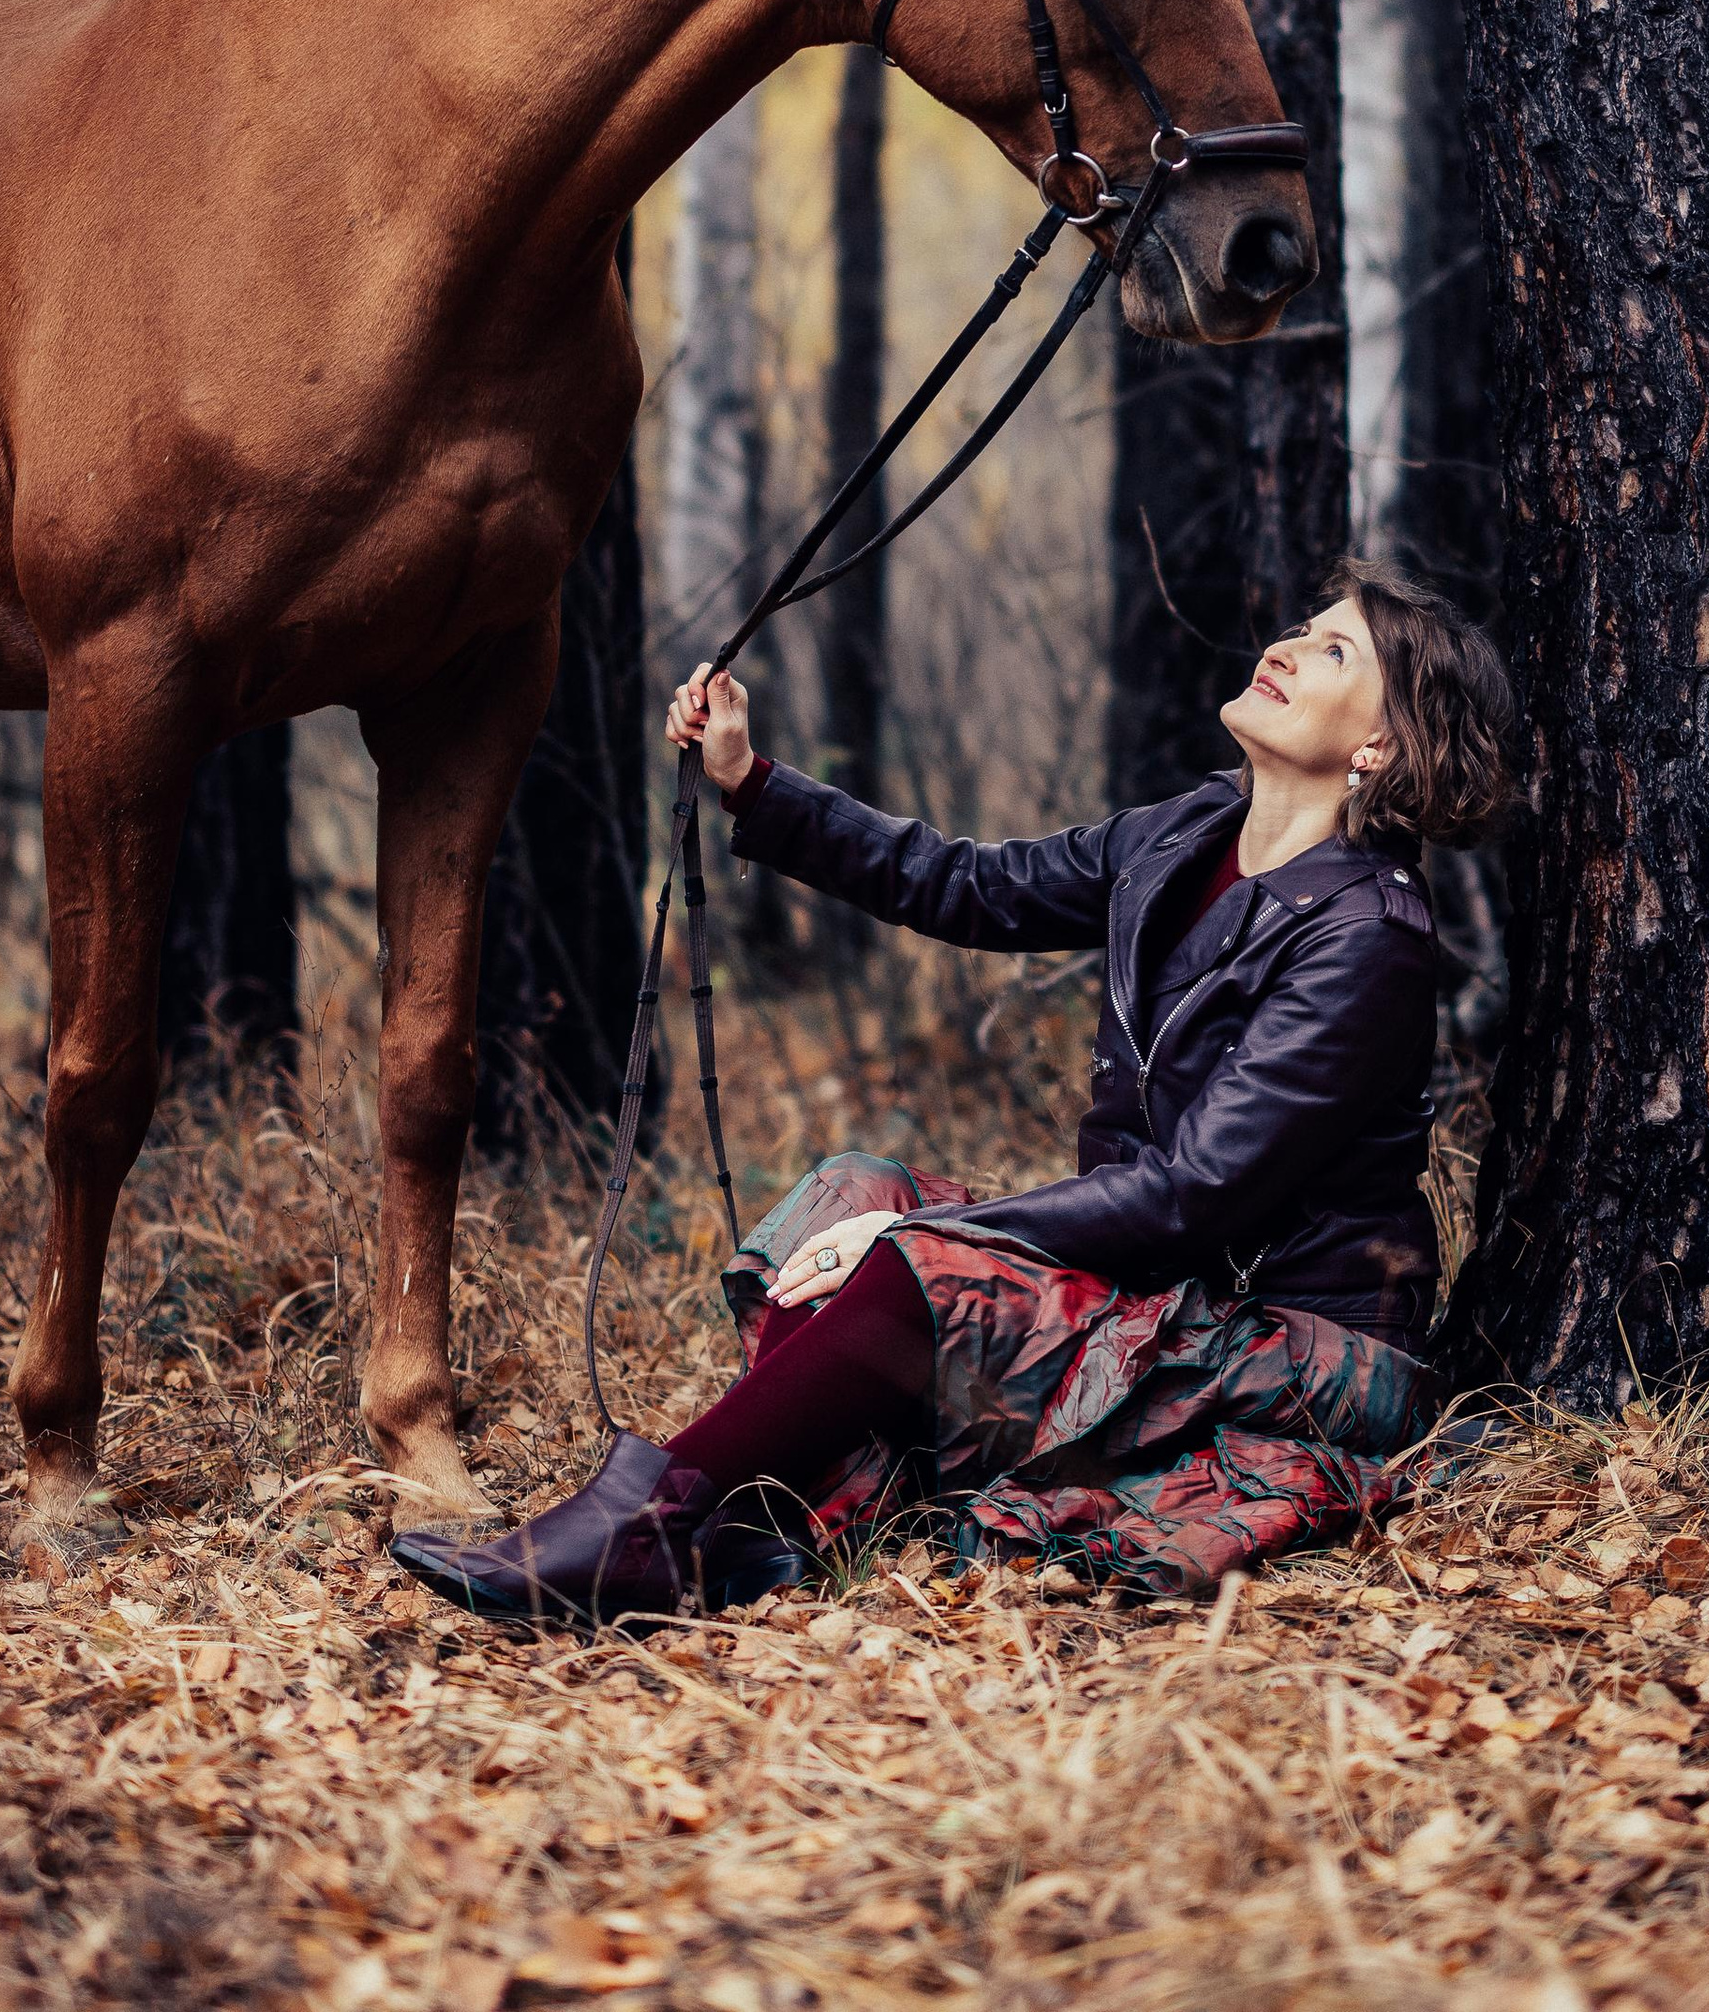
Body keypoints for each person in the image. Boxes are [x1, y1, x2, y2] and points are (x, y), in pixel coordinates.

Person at [395, 558, 1515, 1624]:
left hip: (1279, 1346)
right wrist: (753, 782)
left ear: (1379, 742)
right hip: (1165, 1279)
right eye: (1302, 627)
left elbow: (1197, 1190)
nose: (1285, 647)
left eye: (1330, 651)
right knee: (852, 1192)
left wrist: (930, 1227)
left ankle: (646, 1524)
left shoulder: (1367, 934)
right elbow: (966, 883)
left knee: (909, 1250)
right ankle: (763, 1524)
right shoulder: (1184, 832)